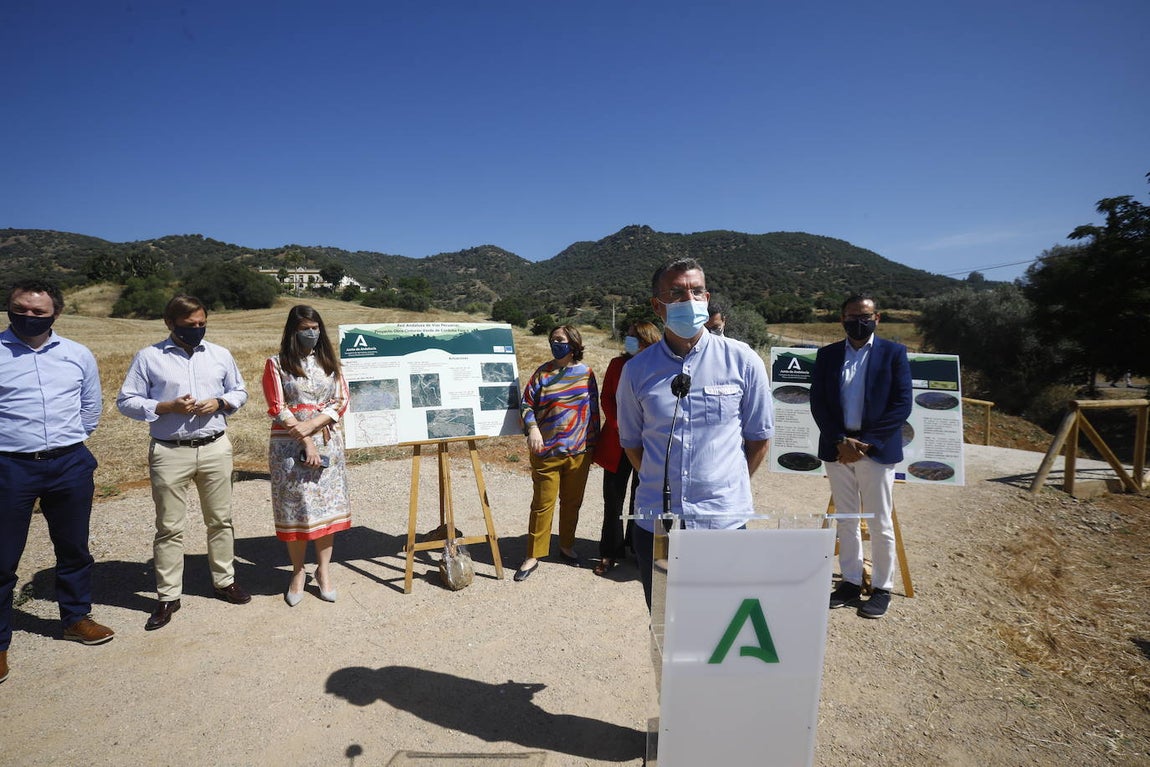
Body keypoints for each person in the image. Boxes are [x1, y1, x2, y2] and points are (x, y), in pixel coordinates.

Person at [616, 258, 774, 610]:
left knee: (720, 628)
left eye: (696, 290)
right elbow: (632, 443)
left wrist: (726, 484)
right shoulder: (636, 371)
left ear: (706, 296)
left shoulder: (743, 360)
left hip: (722, 522)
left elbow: (759, 438)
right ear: (658, 305)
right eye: (676, 292)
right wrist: (662, 479)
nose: (689, 299)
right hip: (657, 523)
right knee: (667, 627)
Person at [1, 280, 114, 683]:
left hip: (69, 463)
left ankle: (76, 619)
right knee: (3, 557)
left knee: (73, 548)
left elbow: (90, 405)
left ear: (55, 314)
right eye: (20, 309)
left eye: (38, 312)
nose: (28, 316)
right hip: (9, 467)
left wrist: (67, 442)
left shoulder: (76, 354)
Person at [117, 294, 251, 631]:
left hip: (215, 447)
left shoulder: (220, 354)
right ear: (170, 323)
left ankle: (224, 581)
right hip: (169, 451)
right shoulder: (149, 357)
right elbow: (126, 402)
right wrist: (165, 407)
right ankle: (167, 595)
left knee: (221, 520)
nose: (198, 330)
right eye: (190, 325)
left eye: (202, 324)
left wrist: (220, 402)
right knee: (169, 526)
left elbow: (240, 391)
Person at [809, 293, 912, 619]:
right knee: (846, 520)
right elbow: (819, 403)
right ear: (842, 319)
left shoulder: (894, 354)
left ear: (877, 318)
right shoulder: (827, 356)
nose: (859, 322)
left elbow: (901, 404)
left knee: (880, 522)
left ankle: (881, 588)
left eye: (865, 316)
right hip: (838, 451)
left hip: (876, 452)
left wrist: (865, 443)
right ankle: (851, 581)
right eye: (852, 316)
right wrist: (841, 441)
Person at [261, 305, 351, 606]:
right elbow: (277, 406)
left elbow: (341, 400)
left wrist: (314, 425)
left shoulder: (330, 363)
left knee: (326, 507)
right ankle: (297, 571)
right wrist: (305, 438)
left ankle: (324, 570)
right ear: (293, 331)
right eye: (304, 328)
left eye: (315, 327)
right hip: (289, 445)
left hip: (328, 439)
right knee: (296, 508)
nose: (311, 333)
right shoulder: (277, 364)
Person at [514, 325, 600, 582]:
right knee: (542, 504)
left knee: (572, 502)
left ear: (573, 343)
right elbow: (526, 403)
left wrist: (593, 445)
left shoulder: (586, 374)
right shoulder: (543, 372)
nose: (555, 343)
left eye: (560, 340)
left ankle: (566, 546)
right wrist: (532, 429)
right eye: (552, 340)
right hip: (547, 450)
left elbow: (593, 411)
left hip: (579, 451)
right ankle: (533, 555)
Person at [592, 320, 660, 576]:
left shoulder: (658, 366)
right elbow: (606, 398)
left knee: (640, 499)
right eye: (628, 336)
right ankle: (609, 551)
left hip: (647, 444)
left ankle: (635, 546)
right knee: (613, 499)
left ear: (648, 340)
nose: (628, 340)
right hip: (617, 442)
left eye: (634, 336)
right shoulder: (617, 364)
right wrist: (621, 424)